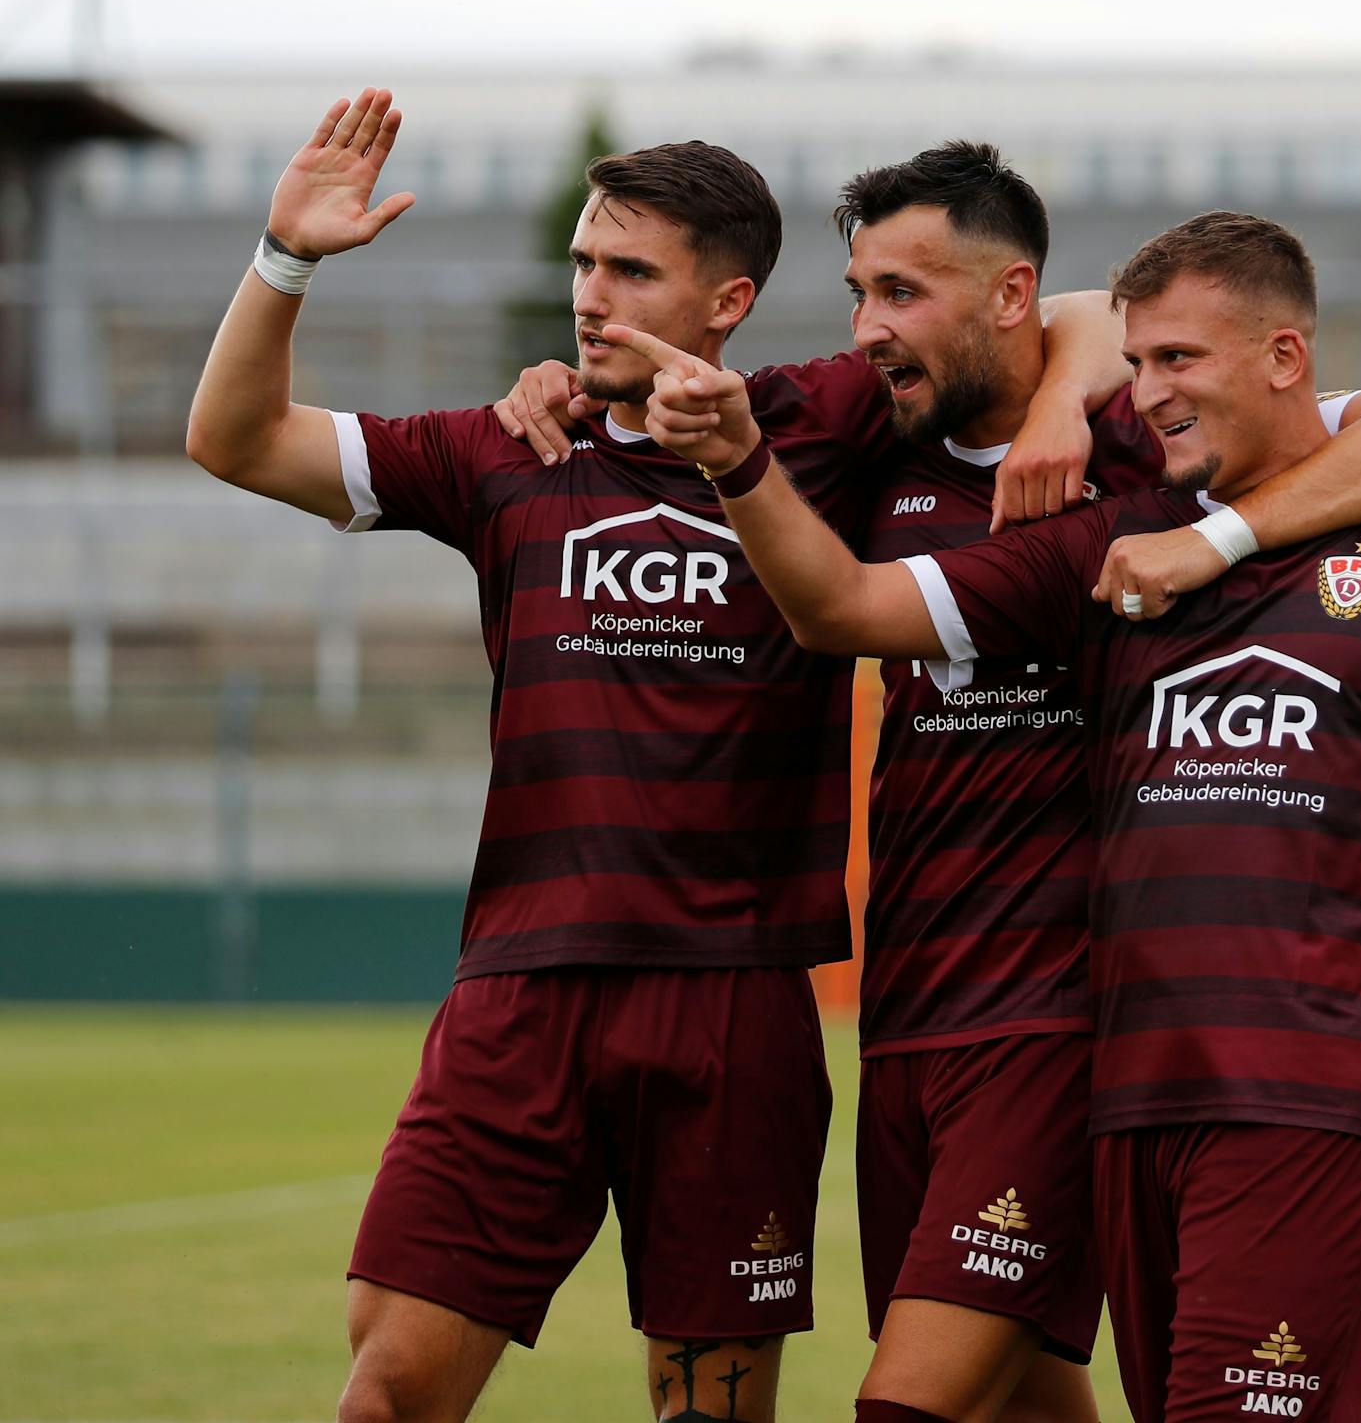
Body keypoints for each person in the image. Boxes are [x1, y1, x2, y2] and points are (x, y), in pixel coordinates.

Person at [614, 209, 1361, 1423]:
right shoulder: (1110, 547)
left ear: (1284, 357)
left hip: (1314, 1093)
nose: (1149, 392)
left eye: (1179, 359)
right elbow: (848, 606)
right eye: (1136, 363)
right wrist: (739, 460)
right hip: (1129, 1103)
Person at [183, 91, 1125, 1423]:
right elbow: (233, 439)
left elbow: (1064, 310)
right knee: (388, 1389)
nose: (590, 295)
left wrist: (1063, 406)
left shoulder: (821, 423)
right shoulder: (505, 448)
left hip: (735, 1006)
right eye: (584, 262)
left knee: (711, 1408)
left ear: (726, 301)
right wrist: (286, 258)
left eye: (630, 271)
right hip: (523, 990)